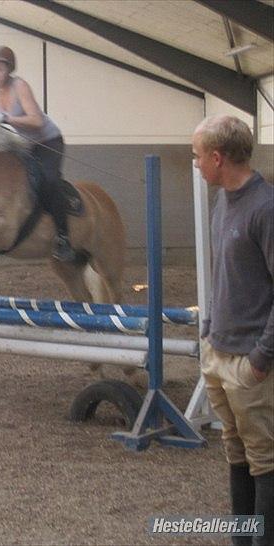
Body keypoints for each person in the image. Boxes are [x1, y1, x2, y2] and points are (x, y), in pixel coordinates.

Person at [192, 115, 273, 546]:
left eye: (197, 155)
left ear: (218, 157)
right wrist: (208, 331)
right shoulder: (223, 201)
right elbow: (224, 273)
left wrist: (261, 359)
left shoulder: (266, 208)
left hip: (250, 362)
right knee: (236, 451)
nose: (196, 163)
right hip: (218, 351)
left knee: (264, 459)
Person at [0, 45, 75, 262]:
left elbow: (36, 121)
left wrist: (6, 119)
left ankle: (63, 237)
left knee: (49, 180)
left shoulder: (20, 86)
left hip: (47, 141)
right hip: (20, 144)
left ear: (8, 69)